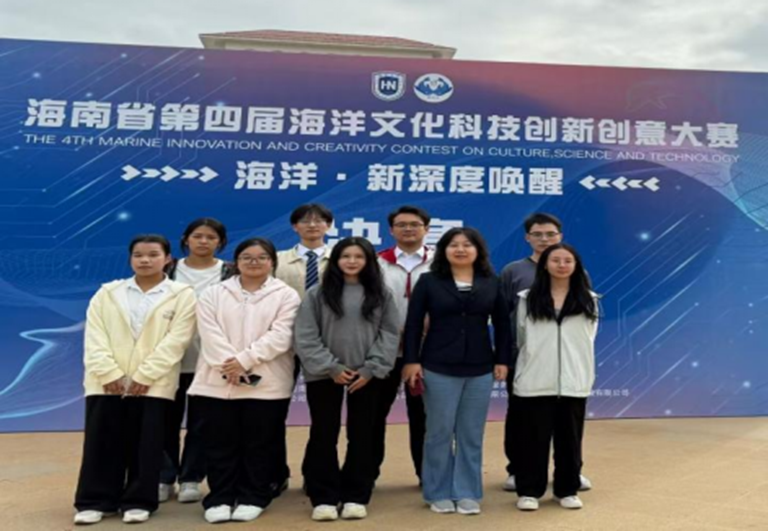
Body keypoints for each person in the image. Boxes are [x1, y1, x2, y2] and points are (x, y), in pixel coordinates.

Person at [73, 235, 197, 525]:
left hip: (153, 383)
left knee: (147, 444)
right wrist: (110, 373)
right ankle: (96, 500)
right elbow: (95, 336)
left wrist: (145, 375)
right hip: (106, 382)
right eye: (138, 255)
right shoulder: (108, 293)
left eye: (153, 254)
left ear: (167, 259)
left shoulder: (182, 294)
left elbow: (177, 340)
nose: (145, 260)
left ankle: (139, 501)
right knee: (102, 442)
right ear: (130, 259)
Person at [187, 238, 301, 523]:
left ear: (272, 262)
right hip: (217, 381)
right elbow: (209, 333)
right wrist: (230, 365)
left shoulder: (286, 295)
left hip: (267, 383)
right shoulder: (214, 293)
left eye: (261, 257)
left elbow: (282, 335)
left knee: (259, 444)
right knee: (219, 443)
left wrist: (245, 361)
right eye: (247, 257)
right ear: (236, 262)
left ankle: (254, 496)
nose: (254, 262)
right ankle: (220, 497)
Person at [402, 227, 511, 516]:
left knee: (471, 433)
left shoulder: (491, 282)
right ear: (444, 250)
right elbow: (413, 323)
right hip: (437, 365)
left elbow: (503, 324)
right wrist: (411, 360)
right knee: (438, 432)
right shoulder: (429, 281)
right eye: (454, 245)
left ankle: (467, 492)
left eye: (467, 245)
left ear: (478, 250)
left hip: (480, 367)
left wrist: (502, 359)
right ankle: (437, 491)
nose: (460, 250)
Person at [294, 237, 399, 521]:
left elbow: (390, 333)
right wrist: (331, 367)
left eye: (359, 256)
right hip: (324, 375)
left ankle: (356, 495)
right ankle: (323, 497)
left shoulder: (381, 294)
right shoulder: (317, 293)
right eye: (345, 256)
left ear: (369, 261)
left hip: (367, 376)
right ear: (336, 261)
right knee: (323, 433)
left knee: (363, 434)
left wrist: (371, 368)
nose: (352, 261)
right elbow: (305, 334)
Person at [500, 212, 592, 492]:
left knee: (568, 424)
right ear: (527, 238)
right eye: (537, 234)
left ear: (560, 236)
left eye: (550, 234)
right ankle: (518, 470)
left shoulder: (577, 273)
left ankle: (571, 474)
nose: (544, 239)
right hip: (524, 359)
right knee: (522, 419)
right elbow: (503, 317)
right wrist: (506, 355)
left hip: (564, 363)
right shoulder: (513, 271)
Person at [512, 243, 599, 511]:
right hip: (536, 379)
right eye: (556, 260)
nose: (562, 265)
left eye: (567, 260)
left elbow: (589, 338)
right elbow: (521, 336)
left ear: (576, 266)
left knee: (570, 440)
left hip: (573, 380)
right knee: (533, 440)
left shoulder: (589, 299)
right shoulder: (527, 298)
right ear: (545, 265)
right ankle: (529, 491)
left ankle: (566, 490)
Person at [160, 218, 234, 504]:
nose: (204, 241)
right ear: (185, 239)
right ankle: (164, 477)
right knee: (164, 421)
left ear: (220, 242)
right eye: (198, 236)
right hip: (169, 360)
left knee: (202, 423)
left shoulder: (230, 271)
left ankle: (191, 478)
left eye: (211, 237)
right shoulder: (168, 269)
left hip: (210, 360)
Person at [274, 203, 334, 492]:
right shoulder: (277, 260)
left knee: (323, 418)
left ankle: (316, 475)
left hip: (325, 347)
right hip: (282, 346)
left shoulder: (341, 259)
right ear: (294, 226)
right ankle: (275, 474)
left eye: (319, 220)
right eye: (305, 221)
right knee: (274, 415)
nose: (312, 225)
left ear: (329, 225)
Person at [373, 205, 432, 485]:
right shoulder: (376, 263)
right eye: (401, 225)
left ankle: (428, 476)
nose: (408, 229)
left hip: (426, 353)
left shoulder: (440, 262)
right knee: (373, 417)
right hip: (384, 351)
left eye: (414, 224)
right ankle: (366, 476)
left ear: (426, 229)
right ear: (391, 230)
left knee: (424, 417)